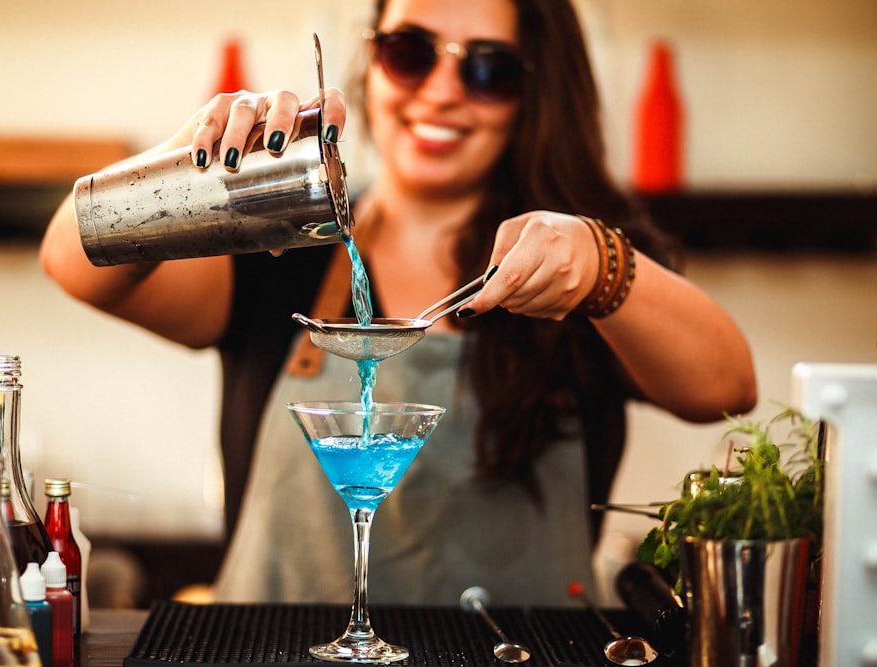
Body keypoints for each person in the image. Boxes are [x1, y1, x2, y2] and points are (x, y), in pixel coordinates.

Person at [40, 0, 756, 605]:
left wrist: (604, 262)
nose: (442, 92)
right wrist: (195, 163)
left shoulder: (574, 269)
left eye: (487, 69)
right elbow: (72, 261)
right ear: (371, 67)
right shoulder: (281, 249)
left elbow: (727, 386)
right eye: (410, 53)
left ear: (535, 94)